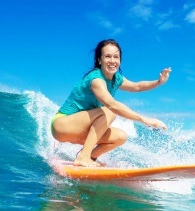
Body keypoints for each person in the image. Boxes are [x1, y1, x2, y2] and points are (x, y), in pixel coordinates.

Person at [51, 39, 171, 167]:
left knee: (120, 137)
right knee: (109, 111)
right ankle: (83, 157)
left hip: (80, 129)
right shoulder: (96, 80)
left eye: (116, 57)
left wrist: (158, 82)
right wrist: (144, 119)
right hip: (62, 125)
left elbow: (137, 86)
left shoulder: (116, 78)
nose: (112, 61)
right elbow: (112, 105)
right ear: (99, 60)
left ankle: (91, 157)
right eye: (108, 56)